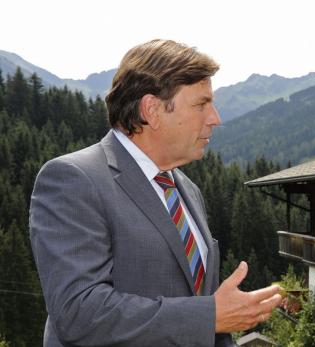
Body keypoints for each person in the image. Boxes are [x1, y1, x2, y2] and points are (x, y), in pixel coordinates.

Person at [29, 39, 282, 347]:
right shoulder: (74, 179)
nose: (215, 117)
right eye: (201, 104)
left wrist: (215, 318)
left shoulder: (187, 190)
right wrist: (208, 316)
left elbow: (206, 310)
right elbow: (78, 312)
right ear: (151, 110)